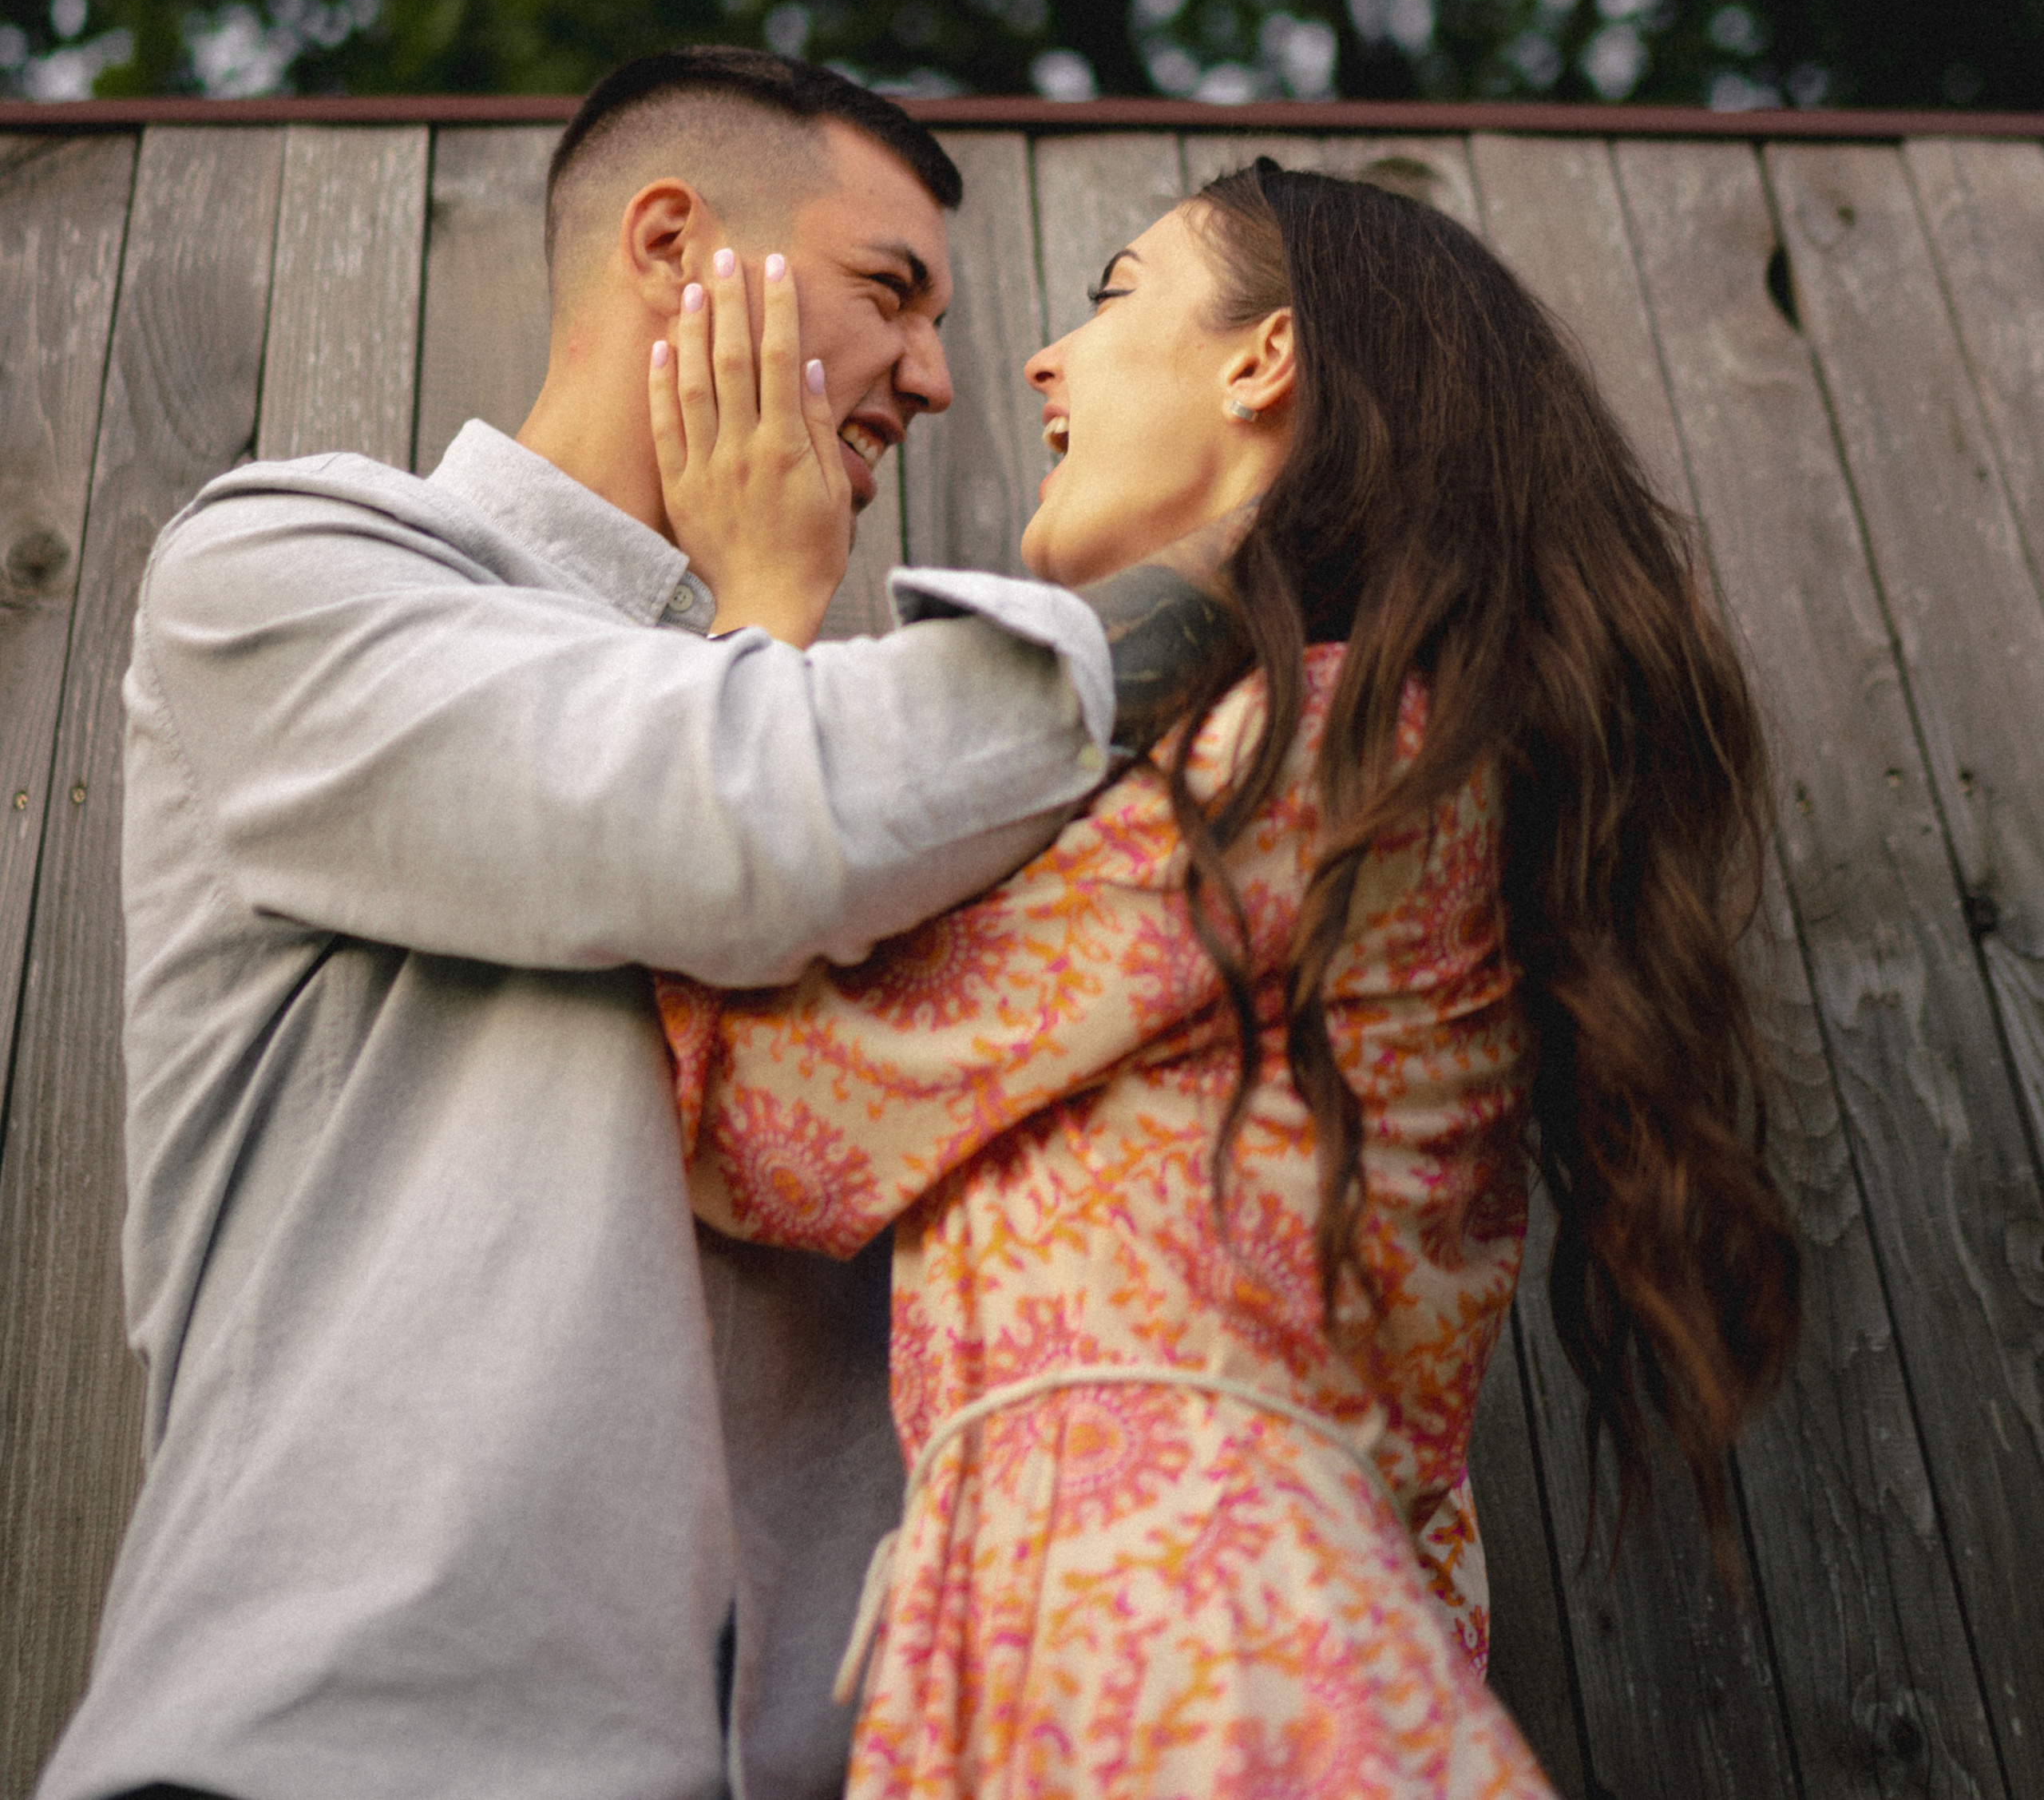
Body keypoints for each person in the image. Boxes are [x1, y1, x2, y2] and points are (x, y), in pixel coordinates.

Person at [37, 49, 1248, 1800]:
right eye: (888, 290)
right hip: (341, 1746)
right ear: (673, 242)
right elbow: (735, 823)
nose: (935, 373)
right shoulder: (293, 570)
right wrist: (1277, 548)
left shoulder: (888, 777)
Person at [658, 160, 1802, 1799]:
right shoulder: (1352, 747)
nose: (1041, 362)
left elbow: (783, 1123)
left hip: (1181, 1626)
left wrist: (755, 620)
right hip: (1124, 1623)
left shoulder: (1305, 752)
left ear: (1262, 358)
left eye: (1111, 296)